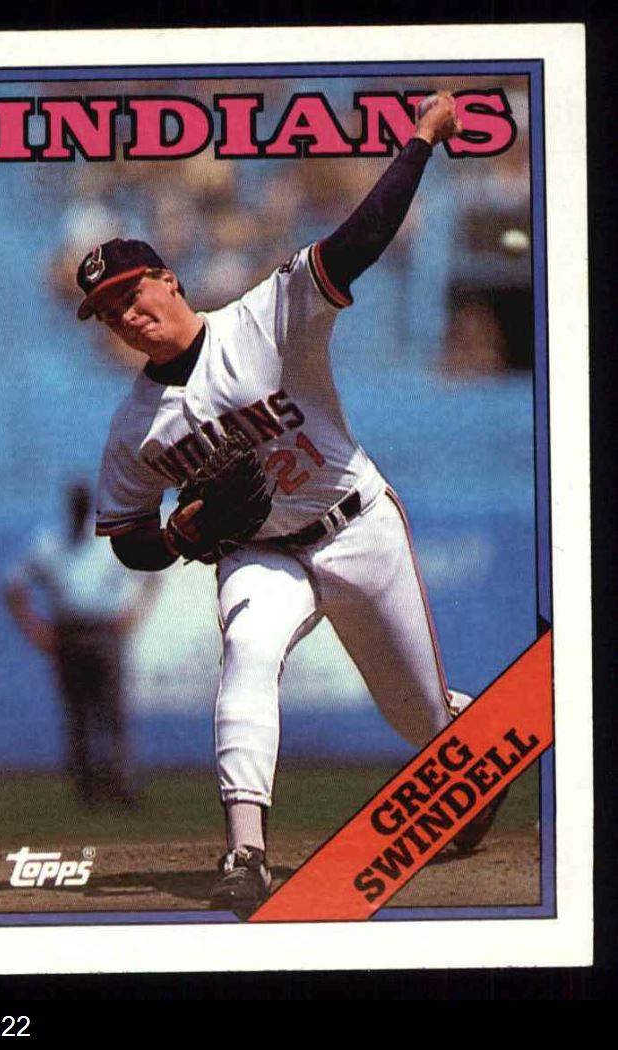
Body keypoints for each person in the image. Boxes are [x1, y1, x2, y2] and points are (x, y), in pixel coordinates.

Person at [76, 93, 506, 915]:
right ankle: (246, 854)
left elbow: (358, 242)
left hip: (354, 526)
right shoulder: (134, 425)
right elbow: (128, 536)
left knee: (415, 715)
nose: (126, 316)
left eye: (132, 293)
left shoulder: (261, 320)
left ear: (169, 278)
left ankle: (465, 744)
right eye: (107, 311)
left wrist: (421, 138)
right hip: (260, 554)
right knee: (246, 655)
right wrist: (177, 537)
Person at [4, 480, 158, 806]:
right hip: (68, 633)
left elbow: (150, 573)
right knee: (77, 714)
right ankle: (88, 790)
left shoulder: (109, 542)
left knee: (113, 712)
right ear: (70, 505)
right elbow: (12, 584)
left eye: (84, 502)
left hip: (105, 630)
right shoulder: (50, 542)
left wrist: (135, 613)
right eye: (76, 502)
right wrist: (34, 628)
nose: (80, 507)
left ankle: (122, 785)